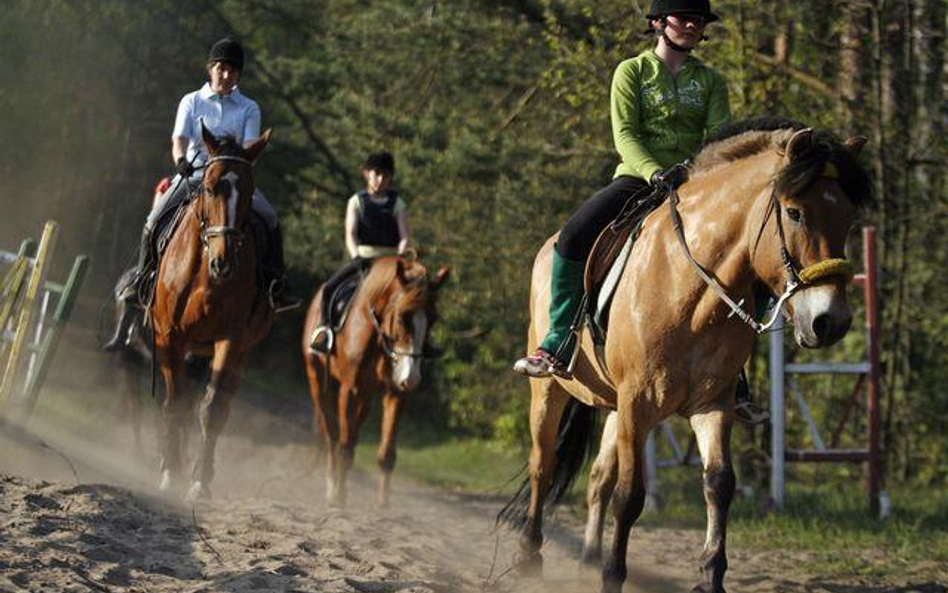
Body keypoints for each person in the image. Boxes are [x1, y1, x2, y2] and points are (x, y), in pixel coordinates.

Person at [512, 0, 768, 424]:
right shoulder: (630, 72)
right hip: (638, 179)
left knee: (748, 254)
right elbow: (625, 133)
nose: (690, 24)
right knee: (574, 237)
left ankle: (732, 373)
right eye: (682, 17)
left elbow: (721, 140)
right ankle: (557, 341)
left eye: (698, 19)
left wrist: (700, 176)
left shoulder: (710, 81)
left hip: (697, 187)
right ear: (657, 23)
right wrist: (653, 172)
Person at [104, 37, 299, 350]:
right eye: (222, 68)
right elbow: (179, 139)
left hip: (232, 178)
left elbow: (250, 148)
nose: (226, 75)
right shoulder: (192, 101)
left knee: (271, 217)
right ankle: (142, 278)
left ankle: (276, 286)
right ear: (211, 69)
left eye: (233, 70)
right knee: (155, 217)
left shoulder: (249, 107)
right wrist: (180, 161)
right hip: (194, 174)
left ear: (238, 75)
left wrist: (237, 168)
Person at [309, 151, 410, 352]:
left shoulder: (398, 203)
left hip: (390, 262)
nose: (381, 180)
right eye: (377, 174)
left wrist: (400, 256)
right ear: (367, 174)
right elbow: (351, 234)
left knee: (419, 294)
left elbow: (404, 236)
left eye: (386, 176)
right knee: (329, 288)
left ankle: (420, 341)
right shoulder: (356, 201)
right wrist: (356, 256)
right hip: (363, 259)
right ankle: (325, 330)